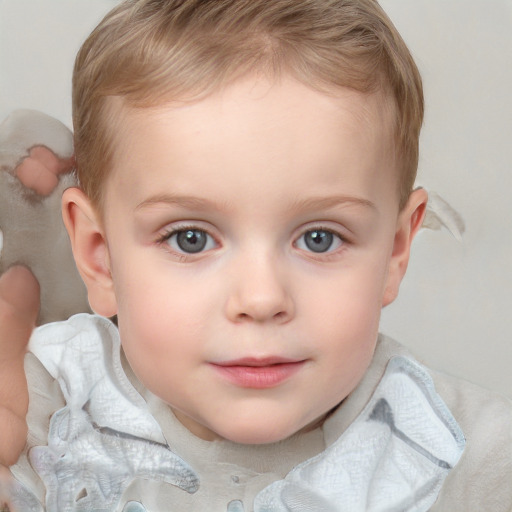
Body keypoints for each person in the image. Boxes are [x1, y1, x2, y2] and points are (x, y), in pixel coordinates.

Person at [2, 0, 512, 510]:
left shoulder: (476, 463)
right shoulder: (40, 410)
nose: (262, 298)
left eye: (320, 238)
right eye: (190, 239)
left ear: (395, 251)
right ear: (99, 255)